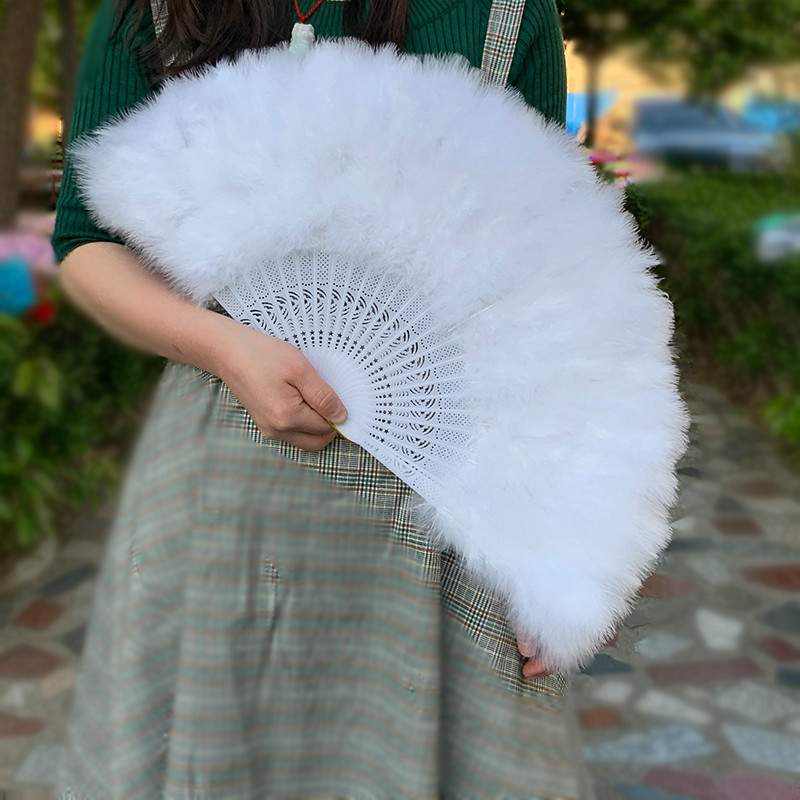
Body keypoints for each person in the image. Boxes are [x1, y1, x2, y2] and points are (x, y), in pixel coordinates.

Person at [53, 1, 591, 797]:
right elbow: (85, 240)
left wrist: (558, 546)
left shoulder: (504, 12)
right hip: (221, 476)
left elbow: (538, 266)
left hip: (447, 481)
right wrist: (226, 347)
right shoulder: (154, 8)